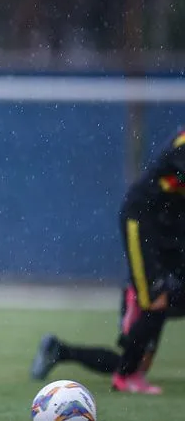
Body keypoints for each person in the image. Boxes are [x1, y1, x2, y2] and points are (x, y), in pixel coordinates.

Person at [31, 129, 185, 394]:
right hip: (143, 219)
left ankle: (61, 351)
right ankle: (125, 376)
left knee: (140, 352)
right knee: (154, 305)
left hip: (170, 230)